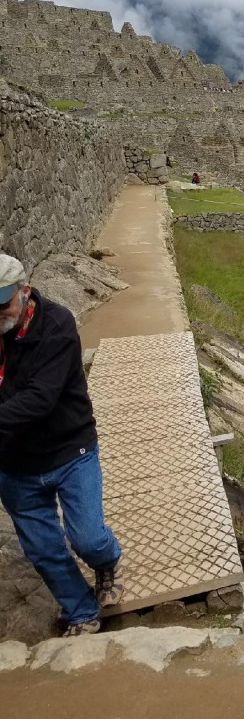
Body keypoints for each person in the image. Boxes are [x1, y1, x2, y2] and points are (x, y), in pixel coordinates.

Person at [0, 254, 124, 636]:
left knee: (88, 538)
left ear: (24, 291)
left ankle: (108, 561)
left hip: (71, 451)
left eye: (2, 303)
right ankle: (81, 611)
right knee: (43, 549)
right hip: (15, 464)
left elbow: (40, 399)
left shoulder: (57, 325)